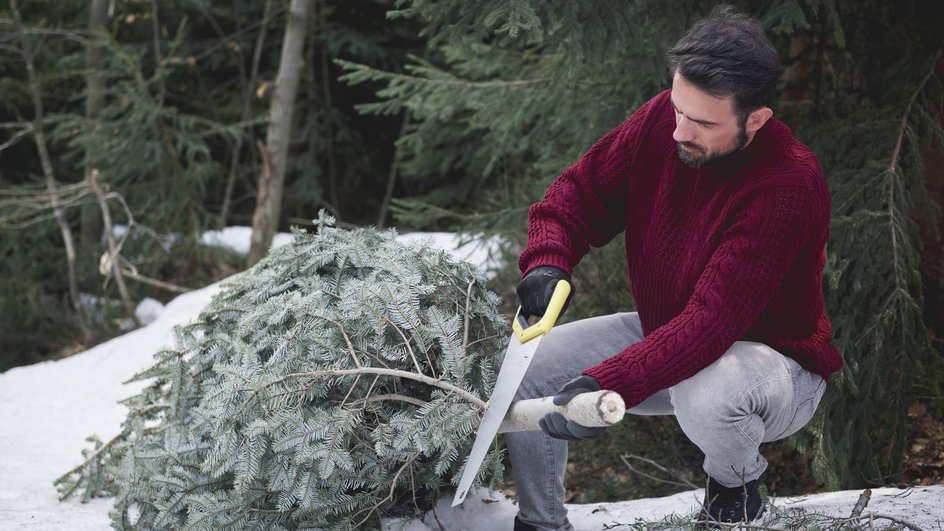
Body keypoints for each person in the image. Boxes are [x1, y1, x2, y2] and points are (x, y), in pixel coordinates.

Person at [508, 8, 844, 530]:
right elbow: (578, 193)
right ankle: (540, 523)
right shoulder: (664, 122)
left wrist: (606, 382)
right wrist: (549, 262)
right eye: (677, 108)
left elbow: (711, 324)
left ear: (756, 119)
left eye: (704, 122)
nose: (678, 131)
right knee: (533, 365)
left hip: (771, 370)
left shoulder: (787, 186)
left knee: (711, 390)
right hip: (670, 336)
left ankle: (736, 487)